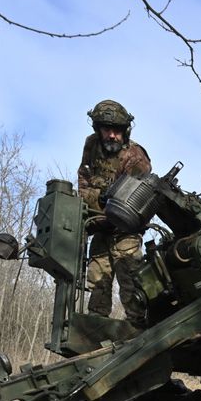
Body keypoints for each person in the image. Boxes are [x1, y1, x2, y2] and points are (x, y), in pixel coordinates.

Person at [77, 99, 152, 327]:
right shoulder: (92, 145)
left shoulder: (136, 157)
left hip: (125, 230)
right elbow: (84, 177)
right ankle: (95, 329)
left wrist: (99, 199)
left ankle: (137, 330)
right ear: (98, 129)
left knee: (130, 282)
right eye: (106, 130)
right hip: (99, 225)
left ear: (125, 131)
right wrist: (93, 201)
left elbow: (133, 200)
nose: (111, 136)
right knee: (97, 279)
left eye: (116, 131)